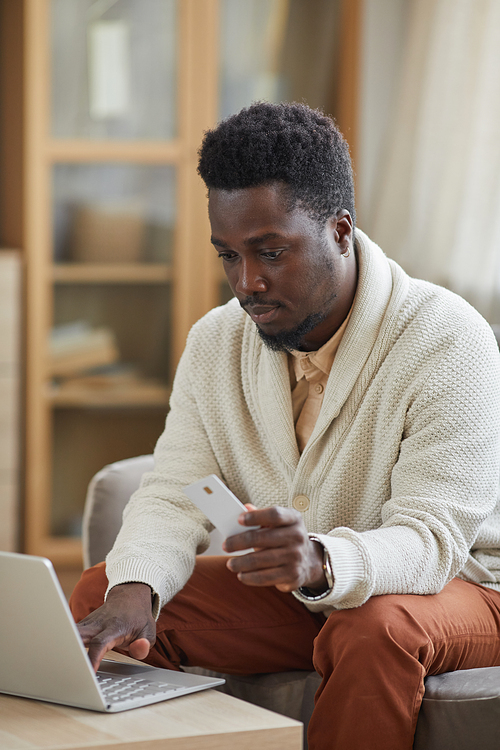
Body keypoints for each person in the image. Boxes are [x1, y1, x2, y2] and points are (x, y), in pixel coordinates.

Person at [70, 102, 500, 750]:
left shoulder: (447, 339)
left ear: (340, 230)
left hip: (459, 587)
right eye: (229, 255)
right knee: (107, 595)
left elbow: (432, 540)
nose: (248, 283)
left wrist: (323, 558)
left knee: (372, 629)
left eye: (271, 252)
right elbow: (176, 486)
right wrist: (139, 586)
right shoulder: (218, 341)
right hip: (310, 594)